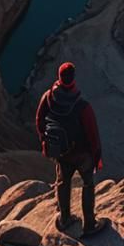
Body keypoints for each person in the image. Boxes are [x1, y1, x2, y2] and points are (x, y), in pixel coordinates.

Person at [35, 61, 103, 233]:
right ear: (73, 79)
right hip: (82, 154)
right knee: (88, 184)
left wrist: (45, 140)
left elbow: (39, 120)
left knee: (63, 183)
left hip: (62, 153)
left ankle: (65, 219)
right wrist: (97, 157)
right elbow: (93, 135)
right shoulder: (82, 106)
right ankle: (89, 225)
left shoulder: (48, 98)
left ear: (59, 77)